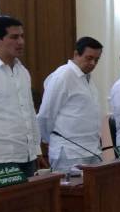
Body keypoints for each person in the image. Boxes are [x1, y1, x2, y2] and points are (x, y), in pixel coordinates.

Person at [0, 15, 46, 179]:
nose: (21, 42)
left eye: (22, 36)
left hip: (27, 155)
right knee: (7, 204)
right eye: (14, 37)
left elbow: (30, 113)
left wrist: (36, 149)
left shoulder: (22, 71)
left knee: (30, 203)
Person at [37, 37, 103, 173]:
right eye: (89, 58)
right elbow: (45, 115)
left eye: (96, 60)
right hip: (69, 151)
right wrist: (52, 140)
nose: (92, 63)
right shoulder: (63, 75)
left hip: (91, 148)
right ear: (76, 54)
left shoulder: (87, 78)